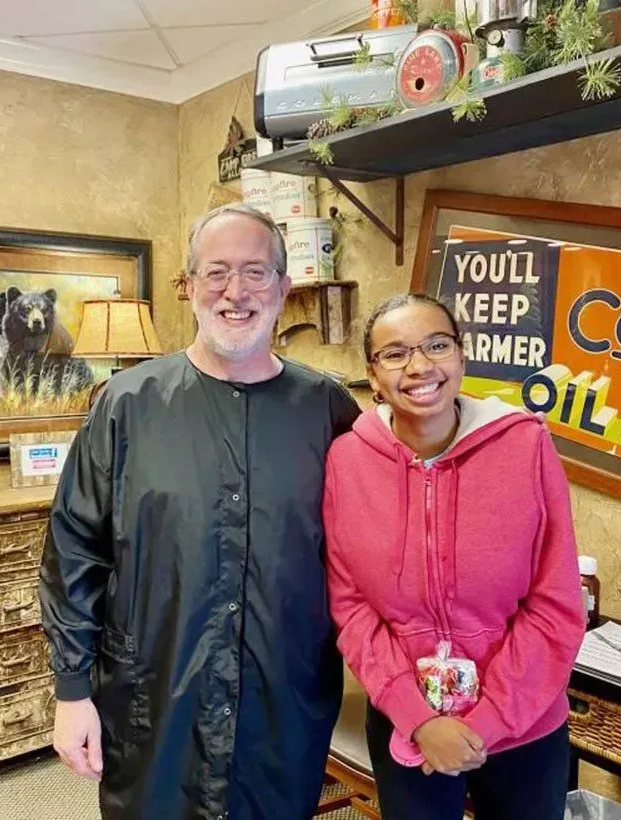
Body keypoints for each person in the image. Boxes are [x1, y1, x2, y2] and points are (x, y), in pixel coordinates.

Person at [40, 203, 361, 820]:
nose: (234, 292)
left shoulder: (328, 410)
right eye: (215, 273)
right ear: (188, 287)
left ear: (283, 288)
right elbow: (74, 551)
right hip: (155, 696)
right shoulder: (126, 406)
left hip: (282, 696)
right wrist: (73, 690)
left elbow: (367, 549)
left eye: (255, 272)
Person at [323, 293, 585, 820]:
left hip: (524, 719)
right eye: (395, 354)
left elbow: (555, 602)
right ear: (373, 377)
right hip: (406, 720)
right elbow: (350, 606)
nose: (420, 366)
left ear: (462, 359)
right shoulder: (347, 461)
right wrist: (419, 720)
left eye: (437, 345)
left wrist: (481, 725)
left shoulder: (525, 447)